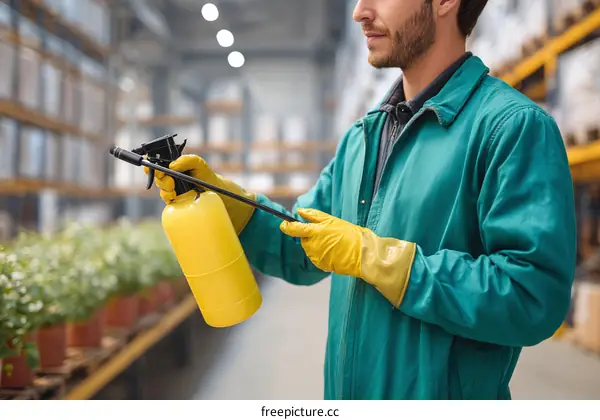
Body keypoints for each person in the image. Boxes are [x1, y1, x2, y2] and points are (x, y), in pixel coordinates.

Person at [148, 0, 576, 400]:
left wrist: (379, 260)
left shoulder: (511, 128)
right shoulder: (363, 138)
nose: (359, 12)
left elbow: (531, 295)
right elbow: (298, 247)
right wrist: (225, 200)